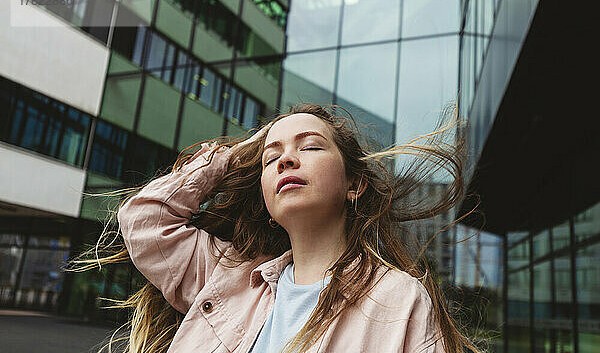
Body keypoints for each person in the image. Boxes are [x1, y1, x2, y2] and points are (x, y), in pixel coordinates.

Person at [73, 103, 482, 353]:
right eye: (272, 158)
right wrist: (233, 158)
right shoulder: (228, 277)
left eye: (309, 146)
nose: (286, 160)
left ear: (354, 185)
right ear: (268, 203)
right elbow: (144, 221)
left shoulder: (399, 298)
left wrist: (268, 149)